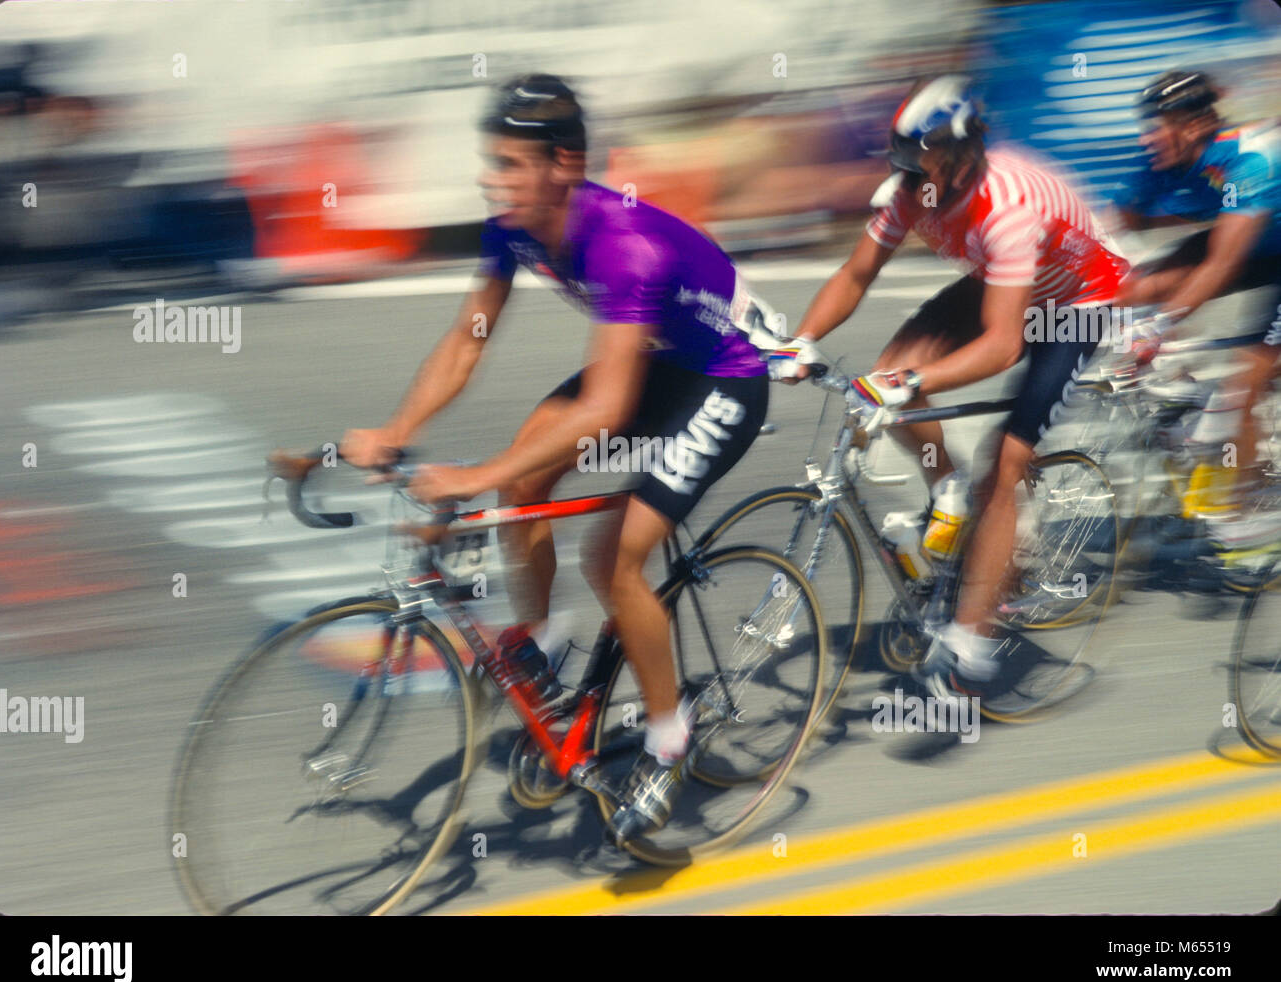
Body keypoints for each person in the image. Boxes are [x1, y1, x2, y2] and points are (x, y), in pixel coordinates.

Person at [341, 74, 781, 844]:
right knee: (527, 477)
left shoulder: (623, 246)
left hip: (723, 377)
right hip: (657, 361)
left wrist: (476, 477)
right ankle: (543, 647)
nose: (490, 177)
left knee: (614, 558)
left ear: (565, 164)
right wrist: (396, 428)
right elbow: (466, 340)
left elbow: (607, 408)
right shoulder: (510, 226)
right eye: (491, 160)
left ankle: (668, 740)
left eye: (510, 163)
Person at [772, 75, 1131, 697]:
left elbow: (1002, 345)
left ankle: (971, 648)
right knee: (894, 366)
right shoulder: (914, 192)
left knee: (1007, 459)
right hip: (1008, 279)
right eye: (907, 164)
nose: (914, 179)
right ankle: (948, 485)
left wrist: (914, 379)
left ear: (963, 158)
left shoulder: (1008, 209)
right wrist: (799, 342)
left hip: (1078, 301)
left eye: (926, 163)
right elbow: (856, 275)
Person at [1113, 69, 1281, 539]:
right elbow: (1109, 238)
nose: (1148, 137)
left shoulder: (1248, 159)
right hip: (1262, 245)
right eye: (1145, 124)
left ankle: (1247, 523)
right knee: (1131, 288)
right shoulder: (1158, 158)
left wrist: (1157, 327)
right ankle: (1184, 388)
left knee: (1245, 386)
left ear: (1193, 125)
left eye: (1157, 124)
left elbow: (1222, 265)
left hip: (1254, 249)